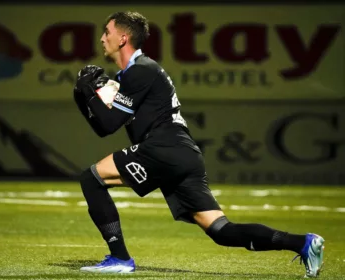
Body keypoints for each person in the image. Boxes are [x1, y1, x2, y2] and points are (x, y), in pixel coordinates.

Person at [73, 11, 325, 277]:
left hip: (164, 147)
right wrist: (84, 96)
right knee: (221, 230)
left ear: (123, 38)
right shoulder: (133, 74)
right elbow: (103, 126)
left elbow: (110, 122)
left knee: (92, 179)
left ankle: (120, 258)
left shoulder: (141, 70)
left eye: (107, 32)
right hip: (182, 152)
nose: (102, 38)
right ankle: (302, 243)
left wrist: (88, 92)